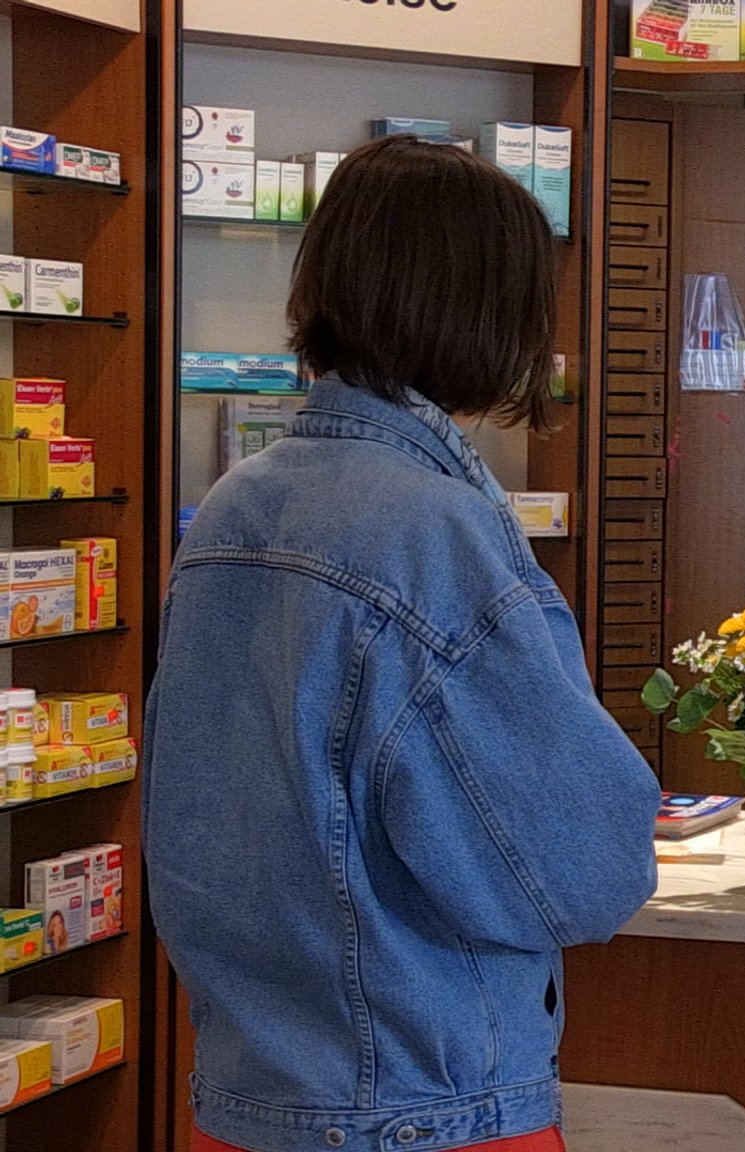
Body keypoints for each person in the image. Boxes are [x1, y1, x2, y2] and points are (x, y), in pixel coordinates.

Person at [144, 136, 662, 1152]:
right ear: (488, 311)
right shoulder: (432, 531)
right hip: (421, 1109)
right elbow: (584, 866)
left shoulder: (236, 506)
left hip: (248, 1099)